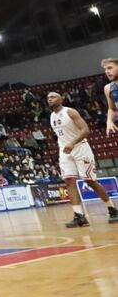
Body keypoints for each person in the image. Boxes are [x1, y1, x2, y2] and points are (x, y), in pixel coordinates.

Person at [47, 91, 118, 227]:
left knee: (90, 181)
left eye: (53, 97)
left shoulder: (70, 112)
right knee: (69, 181)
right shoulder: (51, 116)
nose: (50, 99)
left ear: (61, 99)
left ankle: (112, 208)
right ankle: (79, 216)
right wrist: (65, 145)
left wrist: (72, 142)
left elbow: (85, 130)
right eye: (48, 98)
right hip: (65, 151)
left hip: (80, 148)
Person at [102, 58, 118, 136]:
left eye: (110, 68)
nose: (107, 71)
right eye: (105, 69)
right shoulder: (108, 88)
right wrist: (109, 121)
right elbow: (112, 109)